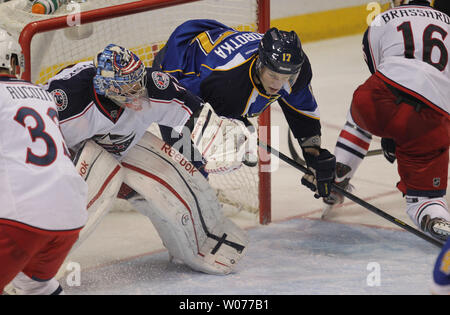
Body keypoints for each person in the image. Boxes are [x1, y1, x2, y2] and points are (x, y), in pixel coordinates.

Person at [41, 43, 249, 276]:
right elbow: (34, 144)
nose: (139, 93)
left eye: (138, 83)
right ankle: (30, 267)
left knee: (179, 182)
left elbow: (195, 114)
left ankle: (205, 245)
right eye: (128, 90)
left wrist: (227, 141)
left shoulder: (154, 85)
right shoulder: (67, 100)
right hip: (71, 154)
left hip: (125, 144)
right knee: (76, 202)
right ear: (105, 88)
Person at [153, 19, 336, 200]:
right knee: (187, 160)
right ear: (259, 64)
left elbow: (302, 110)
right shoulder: (225, 80)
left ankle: (234, 121)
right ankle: (192, 193)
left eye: (285, 77)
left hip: (222, 79)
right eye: (272, 75)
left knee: (227, 129)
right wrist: (224, 131)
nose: (278, 84)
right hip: (182, 65)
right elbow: (180, 102)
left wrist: (314, 155)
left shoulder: (298, 70)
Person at [320, 0, 450, 241]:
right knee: (425, 198)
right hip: (429, 120)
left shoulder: (380, 20)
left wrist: (391, 133)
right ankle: (434, 216)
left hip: (379, 100)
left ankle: (338, 172)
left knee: (360, 113)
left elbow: (381, 74)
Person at [0, 28, 88, 295]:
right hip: (71, 217)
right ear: (14, 62)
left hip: (21, 220)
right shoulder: (41, 93)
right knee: (35, 285)